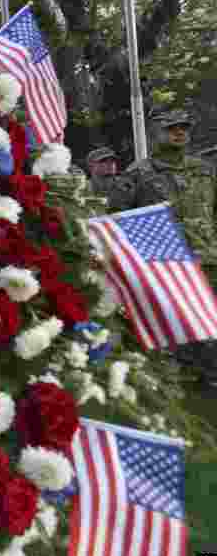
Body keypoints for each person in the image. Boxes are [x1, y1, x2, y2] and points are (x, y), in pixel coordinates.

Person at [112, 110, 217, 385]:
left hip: (209, 257)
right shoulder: (138, 173)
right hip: (168, 264)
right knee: (182, 329)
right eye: (171, 128)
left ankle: (210, 377)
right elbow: (118, 217)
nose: (179, 132)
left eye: (183, 127)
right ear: (156, 133)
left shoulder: (204, 169)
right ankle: (187, 380)